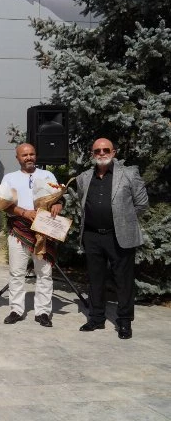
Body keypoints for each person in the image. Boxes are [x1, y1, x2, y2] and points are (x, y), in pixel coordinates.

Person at [77, 138, 148, 339]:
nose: (101, 153)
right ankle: (96, 318)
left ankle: (124, 322)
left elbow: (141, 204)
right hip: (92, 236)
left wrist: (122, 220)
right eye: (97, 150)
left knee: (123, 281)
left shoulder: (129, 174)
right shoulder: (84, 177)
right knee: (95, 279)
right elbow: (82, 202)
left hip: (119, 236)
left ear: (114, 152)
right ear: (92, 154)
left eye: (105, 149)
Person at [1, 143, 62, 327]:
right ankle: (16, 309)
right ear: (17, 158)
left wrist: (59, 204)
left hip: (44, 230)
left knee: (44, 273)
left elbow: (58, 198)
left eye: (31, 154)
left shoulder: (47, 175)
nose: (28, 157)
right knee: (17, 272)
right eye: (24, 155)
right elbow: (4, 204)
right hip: (19, 230)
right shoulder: (9, 178)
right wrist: (24, 213)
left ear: (36, 156)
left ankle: (43, 311)